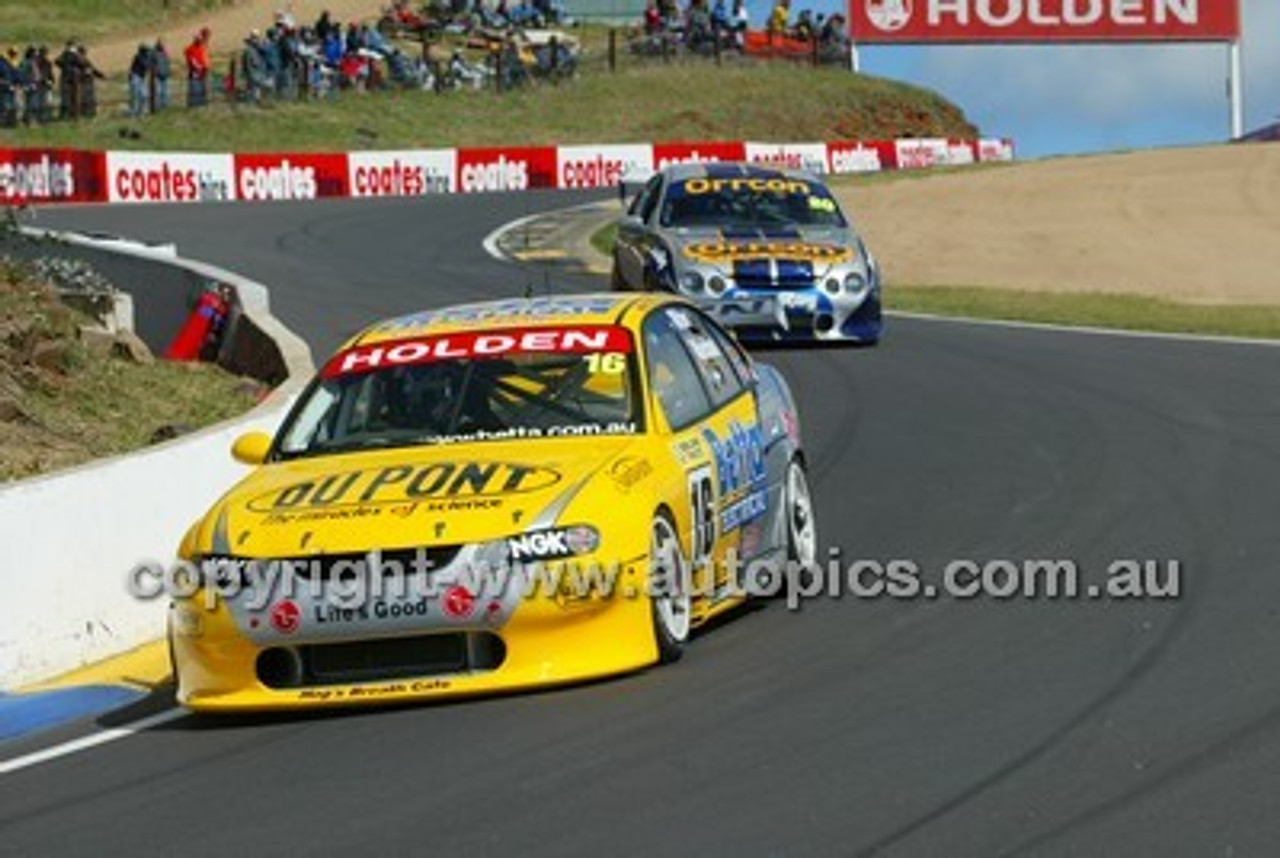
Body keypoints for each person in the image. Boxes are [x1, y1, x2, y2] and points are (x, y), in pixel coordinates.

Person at [75, 44, 105, 118]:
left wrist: (101, 75)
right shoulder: (79, 60)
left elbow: (92, 69)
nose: (85, 53)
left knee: (89, 96)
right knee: (86, 97)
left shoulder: (85, 60)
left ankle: (89, 112)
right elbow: (91, 69)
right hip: (84, 81)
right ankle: (87, 112)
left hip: (88, 80)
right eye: (84, 51)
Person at [184, 28, 211, 107]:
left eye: (200, 39)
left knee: (203, 90)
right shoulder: (191, 49)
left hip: (204, 72)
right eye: (198, 39)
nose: (200, 41)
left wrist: (206, 67)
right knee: (195, 90)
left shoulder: (203, 47)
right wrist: (200, 67)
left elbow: (205, 59)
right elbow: (192, 62)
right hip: (196, 74)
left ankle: (202, 104)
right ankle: (194, 105)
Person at [128, 43, 151, 117]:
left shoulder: (145, 57)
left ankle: (141, 112)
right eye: (147, 50)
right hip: (136, 77)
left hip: (142, 78)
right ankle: (134, 113)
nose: (148, 52)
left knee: (144, 95)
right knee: (136, 96)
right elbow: (145, 65)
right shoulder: (138, 57)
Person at [152, 39, 171, 110]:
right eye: (161, 44)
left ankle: (165, 106)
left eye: (163, 44)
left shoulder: (165, 52)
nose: (162, 45)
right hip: (157, 75)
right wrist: (155, 73)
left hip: (165, 74)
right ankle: (158, 107)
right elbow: (152, 64)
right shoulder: (154, 52)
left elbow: (168, 62)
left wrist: (167, 53)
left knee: (166, 92)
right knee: (158, 92)